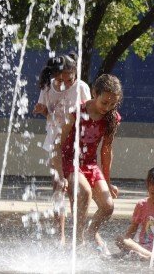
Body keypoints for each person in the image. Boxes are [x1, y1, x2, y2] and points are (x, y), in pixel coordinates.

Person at [53, 73, 122, 253]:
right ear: (94, 93)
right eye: (104, 102)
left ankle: (91, 232)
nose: (107, 107)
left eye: (112, 104)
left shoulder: (111, 119)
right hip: (70, 161)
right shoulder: (76, 113)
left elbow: (106, 151)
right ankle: (78, 240)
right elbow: (57, 145)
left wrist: (107, 181)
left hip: (90, 164)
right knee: (84, 191)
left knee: (108, 206)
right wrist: (60, 176)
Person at [32, 53, 91, 244]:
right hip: (55, 140)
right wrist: (42, 110)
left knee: (75, 187)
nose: (65, 83)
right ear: (53, 75)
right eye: (60, 79)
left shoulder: (81, 87)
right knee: (59, 186)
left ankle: (77, 232)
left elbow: (89, 113)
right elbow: (47, 111)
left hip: (75, 142)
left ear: (75, 75)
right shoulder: (47, 87)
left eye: (69, 79)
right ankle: (61, 235)